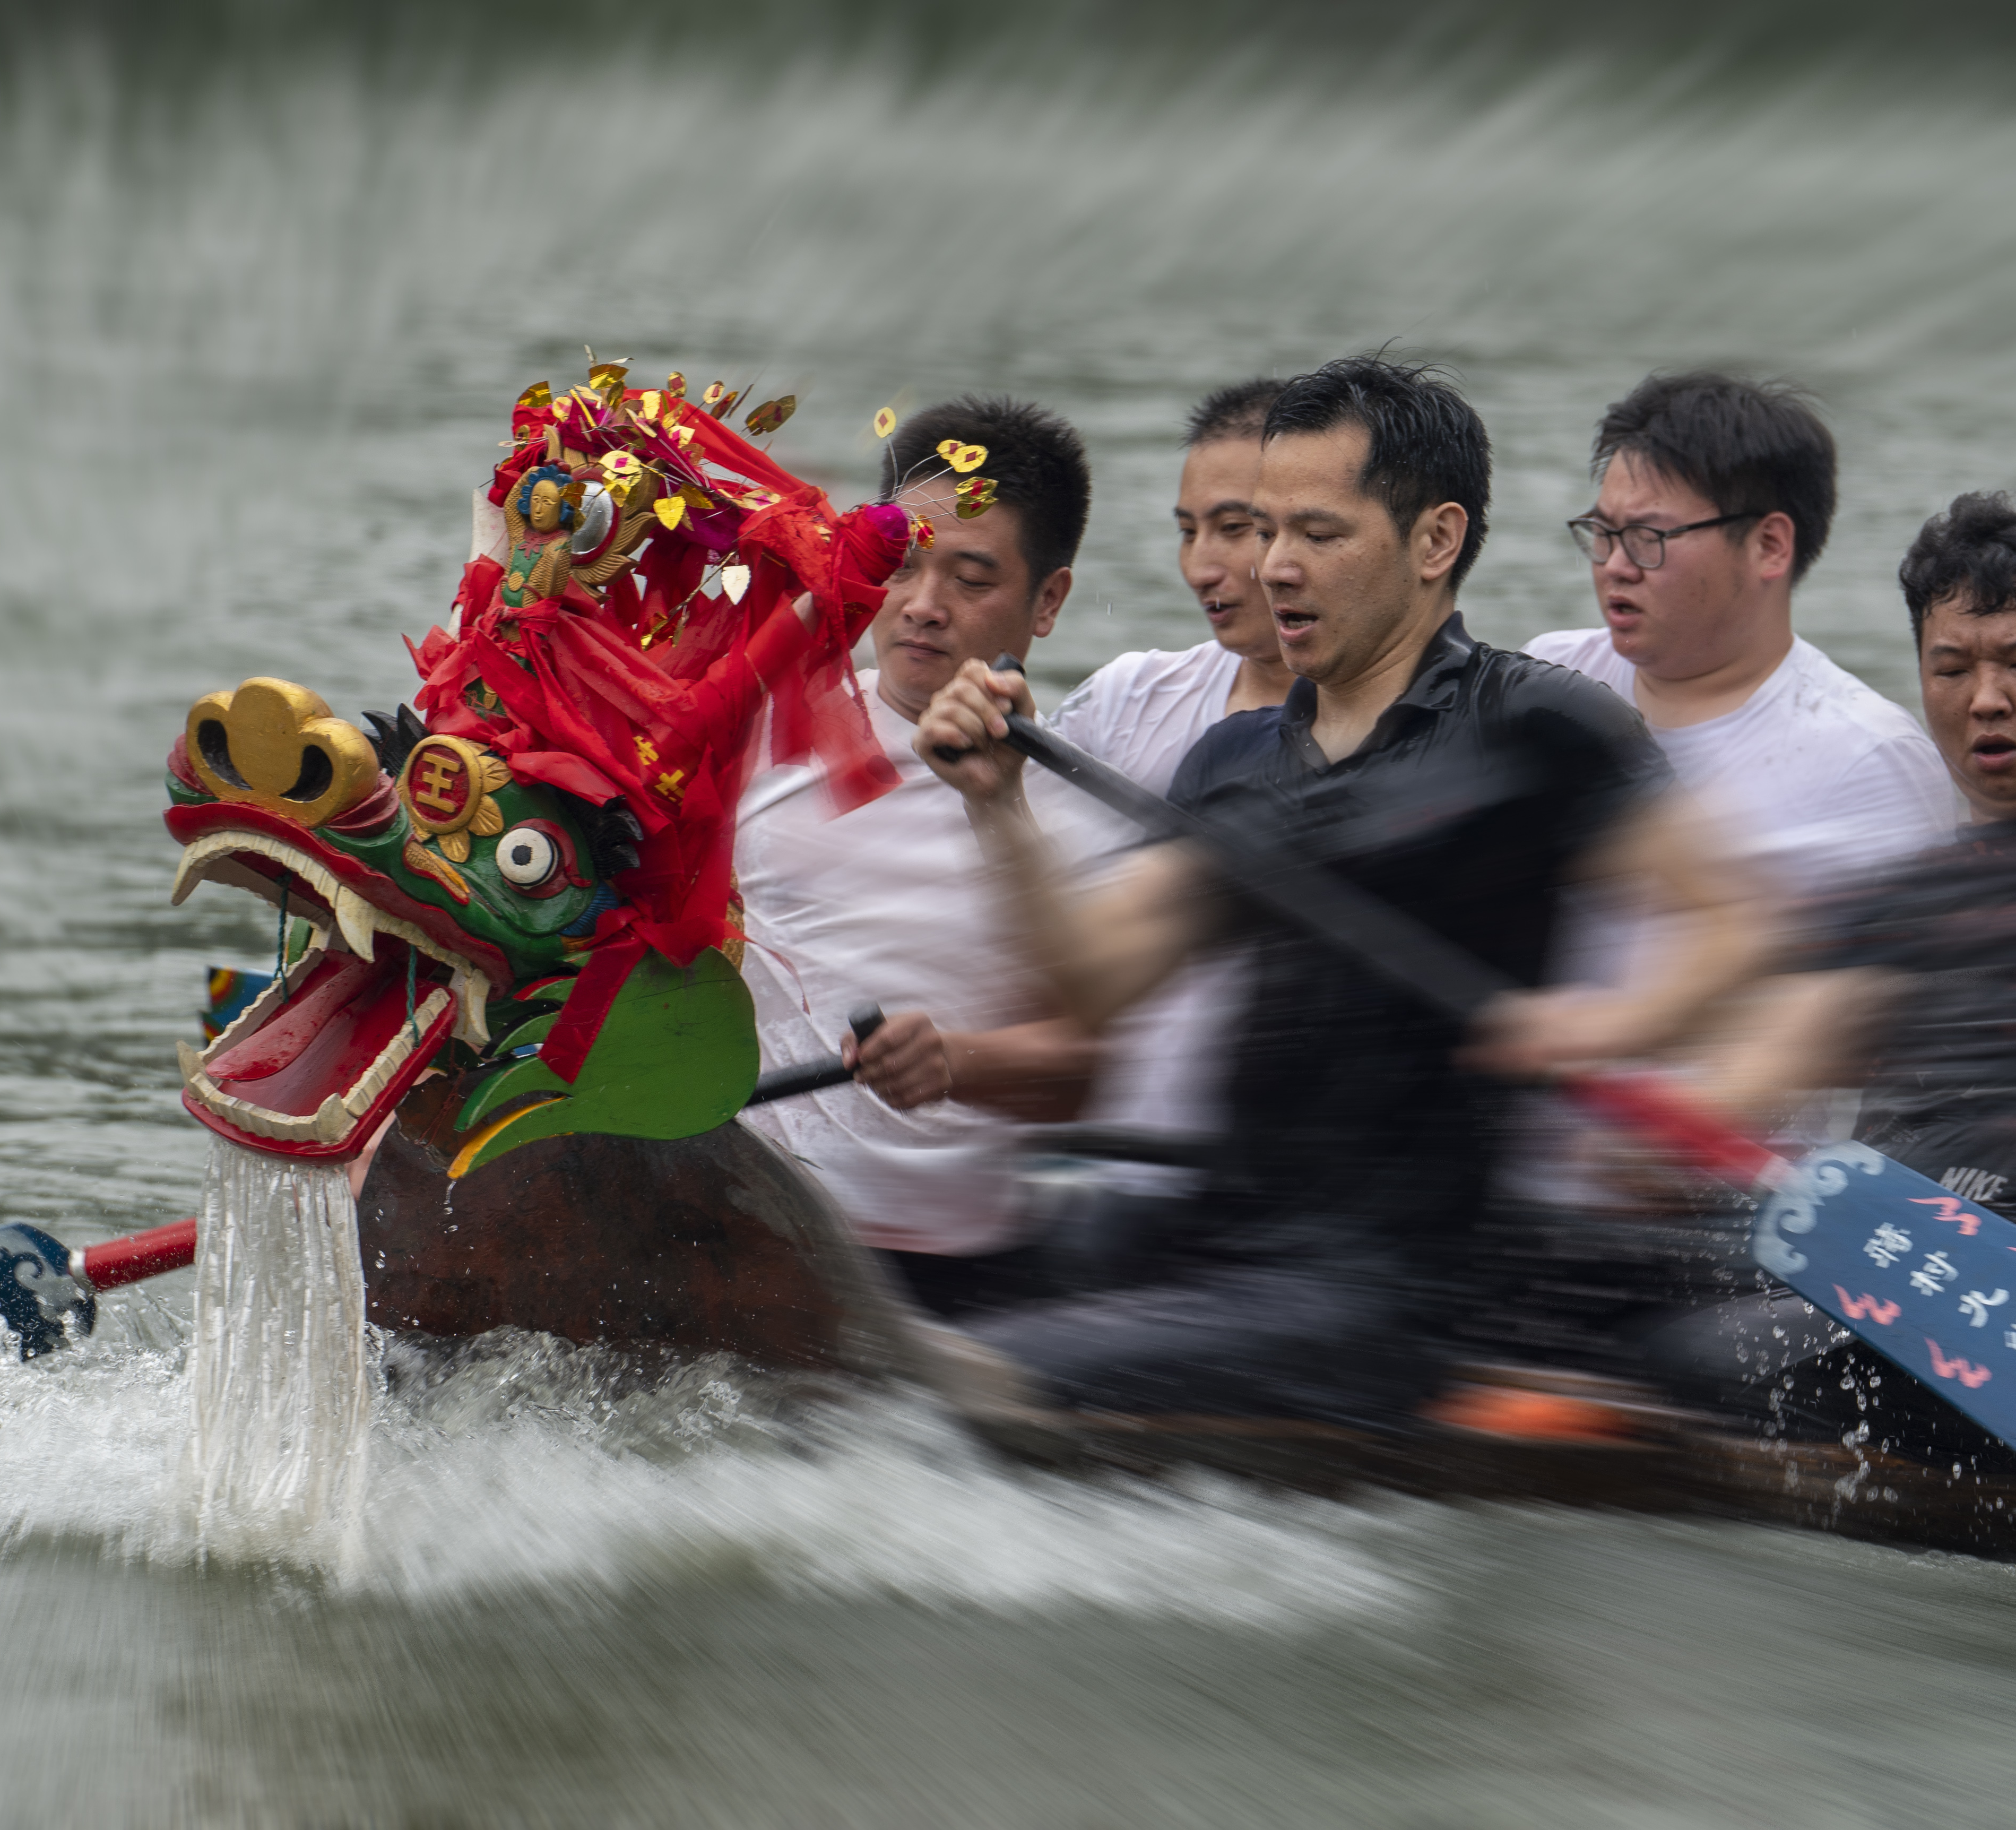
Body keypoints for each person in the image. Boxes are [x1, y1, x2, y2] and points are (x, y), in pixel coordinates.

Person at [910, 356, 1765, 1425]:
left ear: (1435, 541)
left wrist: (1610, 1021)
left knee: (953, 1381)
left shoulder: (1537, 724)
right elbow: (1095, 979)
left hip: (1386, 1289)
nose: (1272, 566)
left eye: (1316, 534)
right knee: (934, 1303)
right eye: (1265, 530)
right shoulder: (1235, 760)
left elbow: (1734, 927)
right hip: (1209, 1227)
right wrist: (997, 805)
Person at [1704, 494, 2016, 1264]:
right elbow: (1774, 1055)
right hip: (1897, 1267)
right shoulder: (1908, 901)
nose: (1986, 700)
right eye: (1951, 669)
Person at [733, 396, 1102, 1315]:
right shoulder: (757, 728)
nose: (922, 608)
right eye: (900, 564)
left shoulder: (1080, 801)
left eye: (971, 579)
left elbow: (1084, 1070)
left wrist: (956, 1062)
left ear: (1048, 601)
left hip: (943, 1278)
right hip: (743, 1229)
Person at [1525, 372, 1958, 907]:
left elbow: (1906, 954)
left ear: (1768, 546)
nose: (1614, 565)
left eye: (1646, 537)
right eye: (1603, 532)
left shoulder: (1869, 758)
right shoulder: (1548, 678)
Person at [1044, 377, 1294, 1144]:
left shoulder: (1424, 731)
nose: (1199, 567)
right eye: (1189, 531)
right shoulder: (1123, 699)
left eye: (1233, 528)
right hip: (1100, 1159)